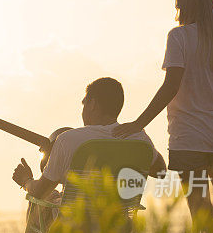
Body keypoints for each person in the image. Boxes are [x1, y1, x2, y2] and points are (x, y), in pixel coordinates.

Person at [113, 0, 213, 227]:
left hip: (189, 140)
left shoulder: (179, 36)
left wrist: (138, 124)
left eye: (179, 8)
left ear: (189, 8)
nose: (177, 14)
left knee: (200, 215)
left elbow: (171, 85)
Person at [12, 77, 166, 202]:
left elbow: (39, 192)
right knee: (56, 197)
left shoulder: (67, 140)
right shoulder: (139, 138)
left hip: (74, 229)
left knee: (38, 203)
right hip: (119, 227)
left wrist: (26, 181)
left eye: (84, 103)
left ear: (92, 104)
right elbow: (161, 172)